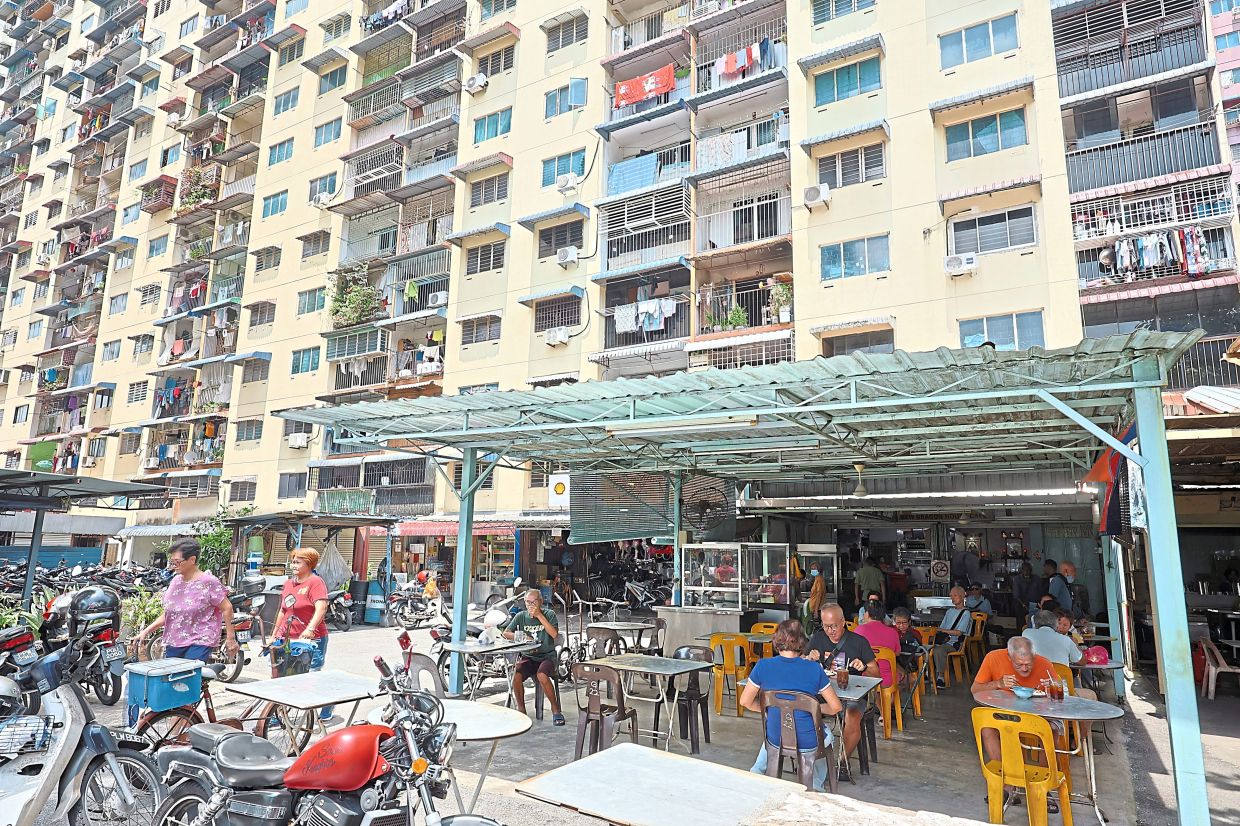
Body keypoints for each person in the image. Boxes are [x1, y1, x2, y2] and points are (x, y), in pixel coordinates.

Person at [743, 619, 843, 792]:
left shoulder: (762, 666)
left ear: (776, 640)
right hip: (809, 742)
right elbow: (836, 707)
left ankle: (757, 773)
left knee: (776, 726)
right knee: (827, 735)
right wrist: (815, 710)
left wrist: (770, 710)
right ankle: (816, 786)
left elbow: (745, 701)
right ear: (803, 642)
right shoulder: (814, 669)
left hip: (776, 738)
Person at [137, 538, 237, 663]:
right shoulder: (175, 581)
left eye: (177, 562)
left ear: (192, 560)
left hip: (200, 639)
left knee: (188, 675)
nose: (174, 566)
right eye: (172, 562)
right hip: (175, 639)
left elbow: (227, 608)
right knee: (172, 678)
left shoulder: (209, 582)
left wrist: (230, 638)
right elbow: (170, 613)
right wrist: (146, 631)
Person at [806, 603, 879, 764]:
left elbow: (876, 674)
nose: (830, 631)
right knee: (800, 704)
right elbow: (802, 666)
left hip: (853, 695)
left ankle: (841, 764)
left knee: (851, 717)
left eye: (834, 626)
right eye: (826, 626)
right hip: (824, 692)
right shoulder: (818, 638)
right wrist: (808, 658)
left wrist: (864, 667)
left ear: (843, 621)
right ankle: (809, 757)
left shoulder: (859, 642)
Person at [971, 637, 1059, 761]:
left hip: (1038, 713)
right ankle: (1002, 774)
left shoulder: (1044, 663)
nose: (1024, 669)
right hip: (1005, 711)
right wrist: (998, 684)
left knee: (1052, 729)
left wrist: (1052, 688)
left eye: (1028, 664)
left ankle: (1045, 775)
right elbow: (975, 689)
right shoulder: (993, 658)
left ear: (1034, 656)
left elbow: (1060, 696)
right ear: (1009, 657)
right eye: (1019, 665)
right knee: (987, 728)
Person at [272, 548, 332, 720]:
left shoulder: (315, 582)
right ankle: (277, 714)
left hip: (312, 639)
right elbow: (283, 611)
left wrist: (310, 629)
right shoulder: (289, 584)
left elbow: (321, 608)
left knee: (312, 675)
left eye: (298, 562)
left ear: (309, 564)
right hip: (287, 638)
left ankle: (326, 703)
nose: (293, 565)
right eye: (293, 561)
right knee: (283, 675)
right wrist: (275, 634)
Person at [502, 590, 565, 726]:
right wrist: (520, 636)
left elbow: (554, 634)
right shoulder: (521, 616)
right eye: (527, 602)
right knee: (516, 675)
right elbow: (505, 633)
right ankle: (522, 711)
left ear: (540, 602)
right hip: (529, 656)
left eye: (534, 602)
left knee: (542, 675)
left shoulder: (549, 614)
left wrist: (539, 615)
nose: (531, 605)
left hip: (547, 656)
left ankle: (556, 710)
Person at [931, 586, 973, 689]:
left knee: (938, 650)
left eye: (955, 595)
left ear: (963, 596)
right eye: (951, 596)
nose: (952, 598)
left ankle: (941, 677)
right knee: (927, 648)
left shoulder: (966, 613)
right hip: (944, 640)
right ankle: (929, 674)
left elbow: (959, 633)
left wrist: (942, 630)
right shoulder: (949, 611)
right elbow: (941, 627)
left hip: (954, 643)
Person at [853, 602, 902, 687]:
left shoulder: (859, 630)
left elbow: (854, 653)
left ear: (867, 614)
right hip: (890, 679)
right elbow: (897, 653)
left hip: (866, 678)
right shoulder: (893, 632)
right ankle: (888, 699)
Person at [800, 566, 828, 637]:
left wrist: (816, 610)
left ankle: (817, 645)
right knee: (816, 628)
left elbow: (819, 595)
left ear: (818, 570)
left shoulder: (819, 580)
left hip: (817, 609)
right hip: (815, 608)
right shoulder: (817, 579)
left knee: (818, 629)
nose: (811, 571)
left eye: (813, 569)